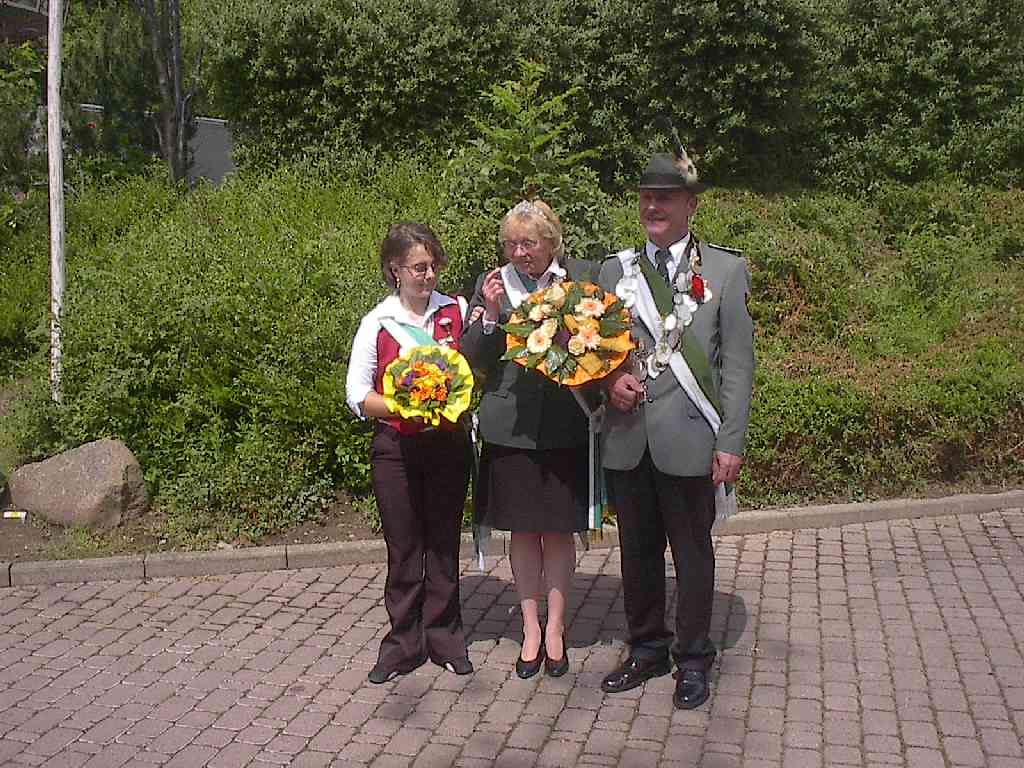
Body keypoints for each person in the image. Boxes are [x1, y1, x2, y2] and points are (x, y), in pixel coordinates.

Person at [597, 149, 755, 709]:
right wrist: (610, 381)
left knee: (692, 555)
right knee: (636, 553)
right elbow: (596, 349)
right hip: (629, 437)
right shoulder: (614, 272)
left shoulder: (725, 271)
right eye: (646, 197)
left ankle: (692, 658)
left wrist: (730, 441)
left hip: (690, 437)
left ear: (690, 205)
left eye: (665, 197)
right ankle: (646, 649)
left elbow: (737, 365)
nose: (653, 206)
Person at [461, 199, 598, 679]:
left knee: (558, 530)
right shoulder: (491, 284)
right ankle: (530, 629)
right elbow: (472, 355)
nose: (520, 253)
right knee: (522, 531)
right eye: (512, 244)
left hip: (564, 422)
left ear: (551, 243)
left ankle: (556, 629)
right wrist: (491, 314)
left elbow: (597, 346)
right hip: (510, 427)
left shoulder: (579, 279)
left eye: (529, 243)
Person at [345, 222, 474, 684]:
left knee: (443, 544)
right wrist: (405, 405)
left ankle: (445, 639)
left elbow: (476, 370)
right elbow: (357, 395)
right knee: (403, 548)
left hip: (447, 446)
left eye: (434, 265)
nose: (429, 275)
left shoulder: (457, 311)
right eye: (419, 267)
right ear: (395, 269)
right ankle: (403, 643)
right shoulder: (377, 322)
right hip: (395, 448)